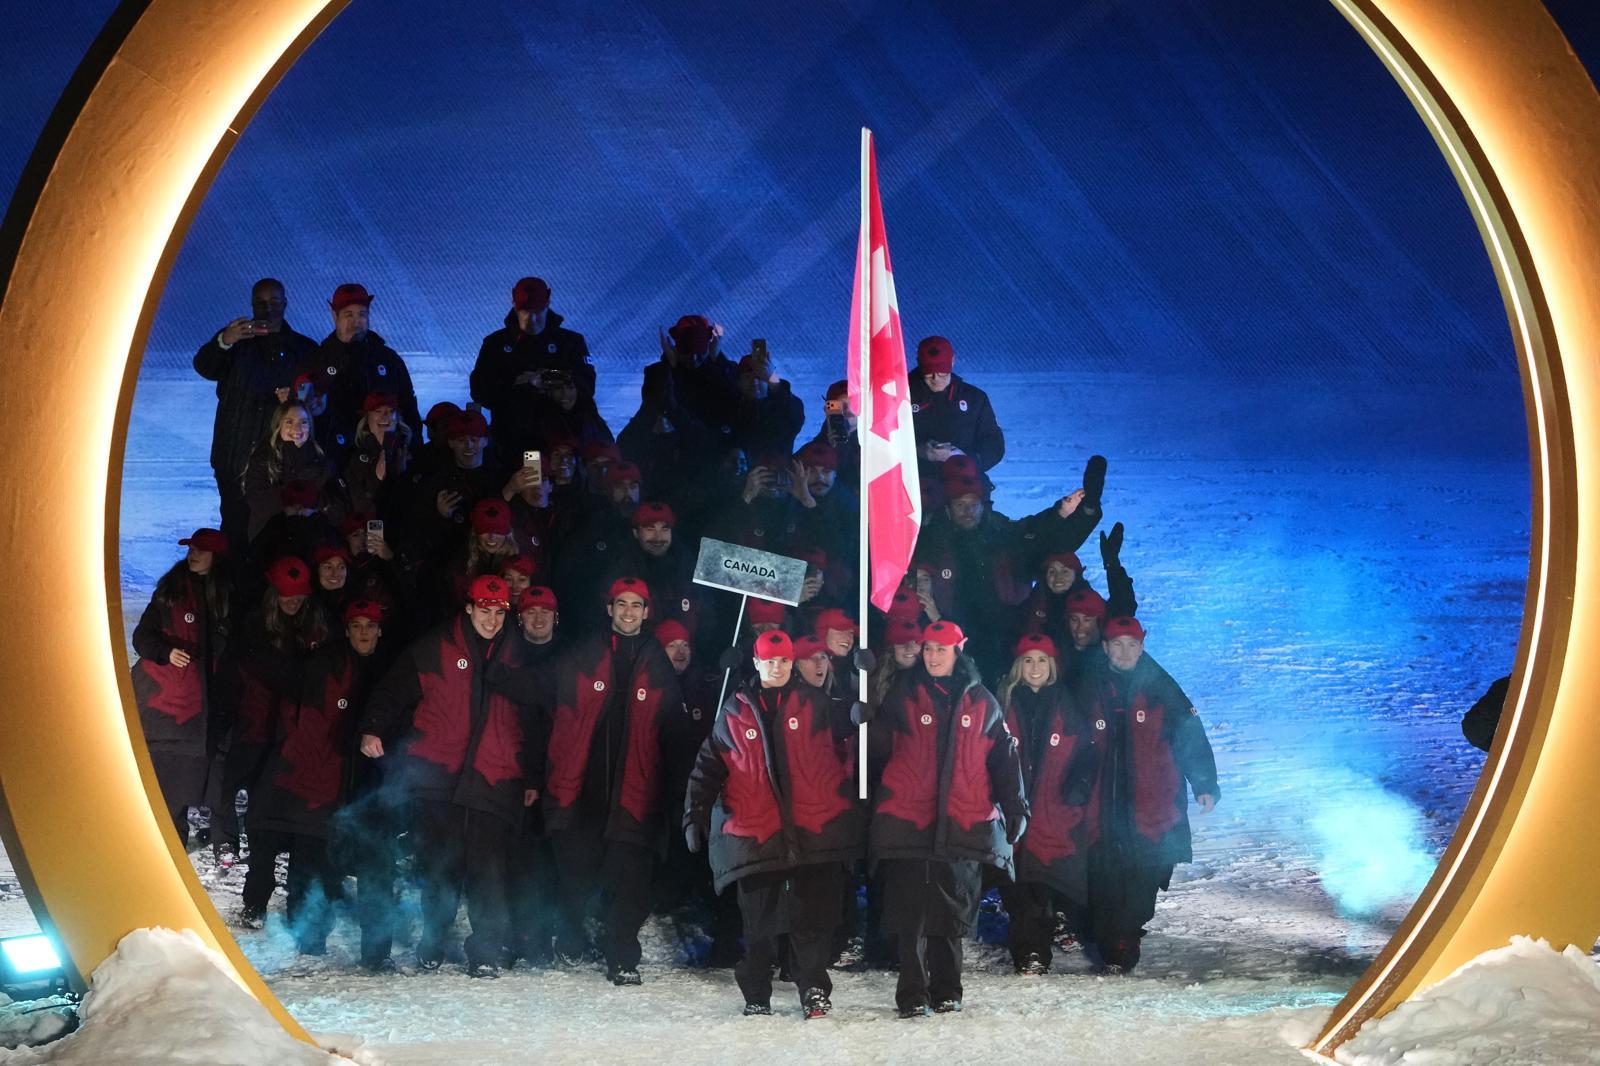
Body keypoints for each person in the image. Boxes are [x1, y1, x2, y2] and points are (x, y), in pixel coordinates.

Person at [358, 575, 536, 978]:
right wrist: (372, 726)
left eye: (499, 613)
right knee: (440, 867)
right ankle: (434, 940)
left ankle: (485, 951)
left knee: (489, 871)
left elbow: (536, 721)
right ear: (469, 608)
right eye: (484, 611)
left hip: (495, 778)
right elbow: (394, 688)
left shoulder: (519, 654)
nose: (491, 620)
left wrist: (532, 776)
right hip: (438, 777)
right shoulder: (436, 646)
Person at [685, 630, 863, 1019]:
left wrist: (860, 710)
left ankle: (814, 990)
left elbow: (846, 725)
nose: (778, 667)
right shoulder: (733, 712)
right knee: (759, 925)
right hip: (755, 833)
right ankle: (756, 993)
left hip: (810, 832)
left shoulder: (816, 702)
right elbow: (707, 768)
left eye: (784, 661)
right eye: (770, 661)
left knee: (810, 922)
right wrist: (694, 815)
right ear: (757, 663)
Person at [859, 620, 1027, 1017]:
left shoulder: (983, 701)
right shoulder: (904, 693)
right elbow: (880, 748)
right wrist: (866, 716)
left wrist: (1016, 806)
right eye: (928, 649)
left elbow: (1004, 760)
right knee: (910, 916)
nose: (933, 657)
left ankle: (948, 990)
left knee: (950, 915)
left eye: (941, 649)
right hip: (909, 820)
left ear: (958, 650)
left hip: (961, 822)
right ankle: (913, 995)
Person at [528, 577, 681, 985]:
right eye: (621, 605)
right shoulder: (582, 652)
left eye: (637, 606)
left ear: (647, 612)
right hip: (582, 792)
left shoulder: (657, 662)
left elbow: (674, 732)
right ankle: (572, 935)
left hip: (635, 793)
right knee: (574, 874)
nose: (629, 612)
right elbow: (539, 695)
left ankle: (623, 958)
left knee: (631, 881)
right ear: (609, 608)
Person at [242, 599, 389, 956]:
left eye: (370, 626)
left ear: (380, 630)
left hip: (368, 785)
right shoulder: (325, 665)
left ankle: (374, 949)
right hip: (321, 780)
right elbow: (285, 680)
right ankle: (308, 936)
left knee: (371, 863)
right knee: (311, 861)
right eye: (357, 626)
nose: (364, 633)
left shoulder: (389, 669)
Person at [1076, 616, 1219, 974]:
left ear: (1142, 646)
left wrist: (1204, 783)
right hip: (1101, 798)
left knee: (1145, 870)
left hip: (1152, 798)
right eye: (1117, 644)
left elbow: (1190, 734)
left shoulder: (1161, 687)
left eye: (1132, 645)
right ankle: (1113, 941)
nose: (1125, 652)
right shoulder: (1087, 684)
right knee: (1106, 871)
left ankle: (1125, 940)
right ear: (1105, 646)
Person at [223, 556, 331, 889]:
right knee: (258, 821)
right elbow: (261, 671)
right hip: (256, 731)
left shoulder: (317, 626)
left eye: (299, 595)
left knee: (281, 818)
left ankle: (293, 896)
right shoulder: (255, 626)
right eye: (287, 595)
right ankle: (256, 894)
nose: (293, 602)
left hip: (295, 738)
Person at [995, 634, 1098, 975]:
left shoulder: (1067, 703)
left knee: (1040, 885)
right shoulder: (1003, 701)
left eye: (1041, 660)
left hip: (1052, 811)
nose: (1034, 667)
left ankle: (1034, 951)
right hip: (1013, 809)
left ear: (1051, 666)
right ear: (1018, 666)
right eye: (1028, 660)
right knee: (1018, 887)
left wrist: (1077, 791)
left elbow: (1086, 752)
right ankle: (1029, 950)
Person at [192, 278, 319, 549]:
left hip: (283, 464)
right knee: (236, 533)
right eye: (261, 302)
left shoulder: (305, 349)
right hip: (235, 457)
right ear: (251, 305)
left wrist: (297, 400)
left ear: (285, 303)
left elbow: (319, 397)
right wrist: (224, 341)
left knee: (278, 536)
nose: (268, 308)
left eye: (274, 301)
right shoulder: (236, 342)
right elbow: (204, 366)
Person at [131, 528, 233, 844]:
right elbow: (142, 637)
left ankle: (223, 840)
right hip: (173, 703)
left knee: (212, 771)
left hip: (214, 700)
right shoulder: (171, 591)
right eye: (191, 549)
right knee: (170, 772)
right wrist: (166, 652)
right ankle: (172, 838)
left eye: (201, 550)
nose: (194, 554)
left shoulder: (230, 595)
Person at [470, 276, 595, 457]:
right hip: (514, 441)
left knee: (561, 483)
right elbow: (479, 391)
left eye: (538, 312)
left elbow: (586, 386)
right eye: (525, 312)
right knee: (532, 481)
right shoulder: (495, 344)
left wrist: (546, 378)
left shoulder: (570, 342)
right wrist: (519, 384)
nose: (532, 319)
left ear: (548, 304)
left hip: (562, 443)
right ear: (513, 304)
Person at [316, 284, 422, 463]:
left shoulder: (388, 359)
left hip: (384, 456)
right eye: (349, 315)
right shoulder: (319, 360)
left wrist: (414, 451)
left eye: (362, 314)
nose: (356, 322)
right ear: (335, 315)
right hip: (338, 459)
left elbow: (408, 407)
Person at [242, 401, 344, 552]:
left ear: (310, 427)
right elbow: (257, 500)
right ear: (278, 425)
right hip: (269, 542)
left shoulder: (324, 463)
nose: (297, 428)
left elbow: (338, 510)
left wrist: (316, 507)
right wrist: (292, 503)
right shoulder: (262, 458)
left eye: (303, 422)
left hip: (312, 543)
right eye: (289, 422)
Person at [907, 336, 1005, 479]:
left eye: (942, 373)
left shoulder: (974, 398)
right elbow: (883, 441)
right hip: (915, 480)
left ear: (952, 362)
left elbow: (993, 443)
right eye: (929, 373)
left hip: (962, 480)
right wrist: (919, 451)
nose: (936, 379)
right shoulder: (900, 397)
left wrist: (964, 459)